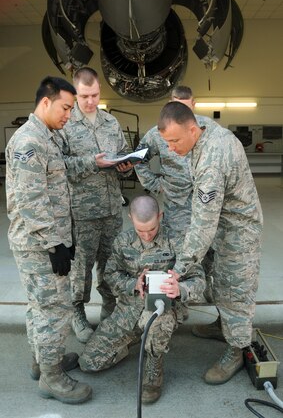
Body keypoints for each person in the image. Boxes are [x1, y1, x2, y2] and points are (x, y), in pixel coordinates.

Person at [157, 101, 263, 385]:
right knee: (216, 281)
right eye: (167, 142)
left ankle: (237, 349)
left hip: (238, 230)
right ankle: (222, 325)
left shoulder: (212, 162)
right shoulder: (199, 127)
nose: (171, 149)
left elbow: (203, 224)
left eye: (175, 141)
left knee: (234, 289)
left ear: (193, 130)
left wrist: (179, 269)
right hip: (220, 224)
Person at [5, 76, 92, 404]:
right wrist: (55, 245)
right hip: (40, 244)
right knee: (53, 309)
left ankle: (42, 361)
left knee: (39, 307)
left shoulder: (47, 136)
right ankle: (52, 378)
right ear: (46, 102)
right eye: (66, 107)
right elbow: (31, 202)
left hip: (45, 239)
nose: (70, 114)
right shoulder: (30, 141)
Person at [78, 195, 205, 403]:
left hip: (164, 309)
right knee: (89, 363)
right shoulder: (122, 241)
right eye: (140, 230)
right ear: (130, 218)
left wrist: (180, 288)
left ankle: (154, 368)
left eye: (152, 229)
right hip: (128, 311)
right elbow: (110, 274)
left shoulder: (177, 241)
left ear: (160, 217)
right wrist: (132, 284)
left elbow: (199, 279)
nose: (147, 236)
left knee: (156, 324)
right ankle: (133, 339)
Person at [56, 67, 133, 343]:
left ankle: (109, 310)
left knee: (111, 264)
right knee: (81, 268)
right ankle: (77, 312)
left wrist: (125, 166)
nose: (91, 101)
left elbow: (123, 156)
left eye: (95, 95)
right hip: (82, 213)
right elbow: (59, 166)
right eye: (85, 96)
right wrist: (92, 162)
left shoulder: (111, 122)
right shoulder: (65, 124)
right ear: (75, 94)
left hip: (112, 209)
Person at [135, 85, 216, 305]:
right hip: (176, 204)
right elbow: (138, 157)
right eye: (175, 105)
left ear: (193, 105)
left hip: (205, 201)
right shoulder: (157, 134)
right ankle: (182, 293)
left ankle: (204, 285)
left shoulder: (204, 128)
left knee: (209, 248)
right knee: (180, 250)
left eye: (184, 107)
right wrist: (153, 183)